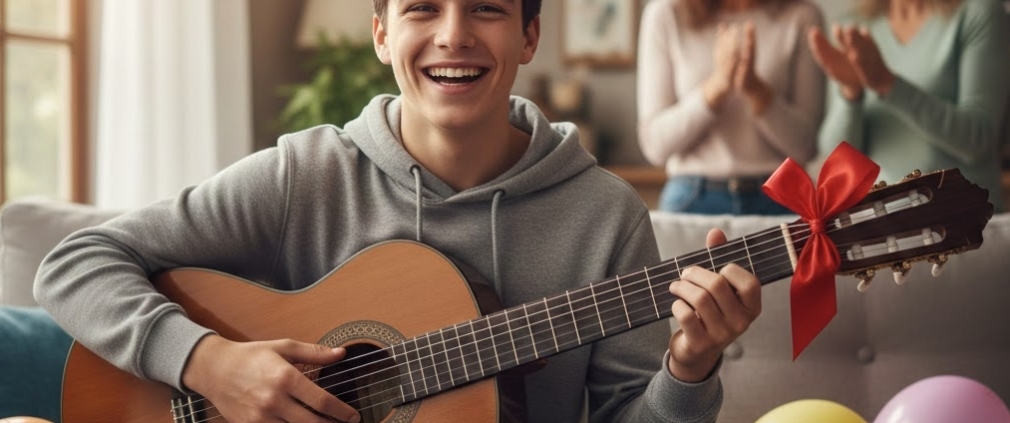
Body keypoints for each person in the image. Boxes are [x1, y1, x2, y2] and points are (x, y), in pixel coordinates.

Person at [34, 1, 762, 422]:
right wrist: (208, 361)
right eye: (422, 6)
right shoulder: (307, 174)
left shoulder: (605, 216)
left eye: (486, 6)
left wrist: (689, 366)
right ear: (381, 32)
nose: (453, 34)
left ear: (529, 36)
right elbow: (74, 263)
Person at [809, 0, 1010, 211]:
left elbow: (979, 138)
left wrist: (887, 83)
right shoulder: (851, 27)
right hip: (880, 226)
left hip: (963, 223)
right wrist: (850, 93)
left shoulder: (979, 13)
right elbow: (836, 158)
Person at [637, 0, 826, 215]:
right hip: (691, 197)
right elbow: (655, 145)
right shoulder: (665, 14)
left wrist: (756, 91)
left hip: (780, 196)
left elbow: (806, 146)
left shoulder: (803, 15)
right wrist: (715, 88)